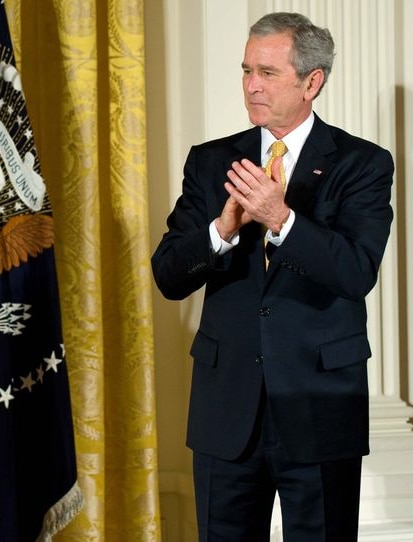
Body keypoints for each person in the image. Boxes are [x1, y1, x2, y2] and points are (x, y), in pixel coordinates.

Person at [151, 12, 393, 542]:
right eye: (245, 70)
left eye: (267, 72)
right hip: (226, 409)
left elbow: (355, 272)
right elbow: (168, 275)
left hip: (319, 406)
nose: (251, 85)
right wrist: (221, 228)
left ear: (312, 82)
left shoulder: (363, 164)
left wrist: (282, 219)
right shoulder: (212, 162)